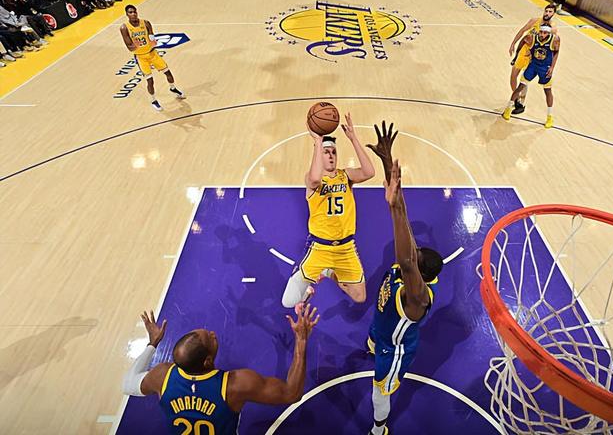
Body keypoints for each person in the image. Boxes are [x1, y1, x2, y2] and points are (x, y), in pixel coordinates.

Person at [122, 305, 320, 434]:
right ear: (207, 361)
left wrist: (152, 344)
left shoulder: (162, 376)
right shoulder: (234, 385)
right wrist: (301, 341)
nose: (213, 333)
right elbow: (291, 393)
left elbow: (127, 384)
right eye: (210, 337)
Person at [365, 122, 444, 435]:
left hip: (394, 348)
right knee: (375, 334)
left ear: (419, 273)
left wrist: (393, 206)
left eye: (416, 256)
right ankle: (372, 342)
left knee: (379, 393)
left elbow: (407, 259)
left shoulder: (418, 298)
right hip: (381, 325)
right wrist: (388, 166)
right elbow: (404, 221)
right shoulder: (416, 269)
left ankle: (379, 429)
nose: (413, 249)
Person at [281, 112, 375, 311]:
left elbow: (369, 172)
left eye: (333, 152)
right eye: (326, 152)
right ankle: (320, 273)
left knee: (359, 297)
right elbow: (315, 178)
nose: (331, 155)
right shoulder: (311, 180)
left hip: (345, 247)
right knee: (288, 302)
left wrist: (353, 138)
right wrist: (318, 142)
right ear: (319, 155)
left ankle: (327, 272)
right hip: (319, 247)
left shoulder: (346, 176)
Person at [120, 4, 185, 111]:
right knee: (150, 81)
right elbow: (129, 47)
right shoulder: (124, 28)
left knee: (168, 72)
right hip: (141, 57)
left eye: (135, 11)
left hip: (152, 53)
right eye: (130, 12)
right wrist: (135, 46)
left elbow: (151, 36)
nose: (133, 14)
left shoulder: (145, 23)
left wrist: (153, 41)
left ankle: (173, 88)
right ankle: (153, 100)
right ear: (127, 14)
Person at [503, 24, 560, 129]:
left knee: (548, 91)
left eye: (545, 33)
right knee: (520, 87)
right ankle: (508, 109)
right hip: (533, 65)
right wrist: (517, 55)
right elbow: (522, 41)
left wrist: (552, 67)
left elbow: (556, 52)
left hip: (545, 68)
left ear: (548, 33)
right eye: (541, 32)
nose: (542, 34)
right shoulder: (532, 38)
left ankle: (550, 117)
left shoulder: (555, 39)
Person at [508, 4, 558, 114]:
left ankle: (521, 103)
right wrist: (513, 44)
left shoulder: (553, 29)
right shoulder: (534, 21)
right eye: (546, 11)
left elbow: (552, 49)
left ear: (554, 14)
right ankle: (516, 98)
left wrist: (551, 66)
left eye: (550, 12)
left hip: (535, 55)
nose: (547, 13)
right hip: (524, 51)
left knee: (524, 80)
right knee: (513, 75)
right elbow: (522, 32)